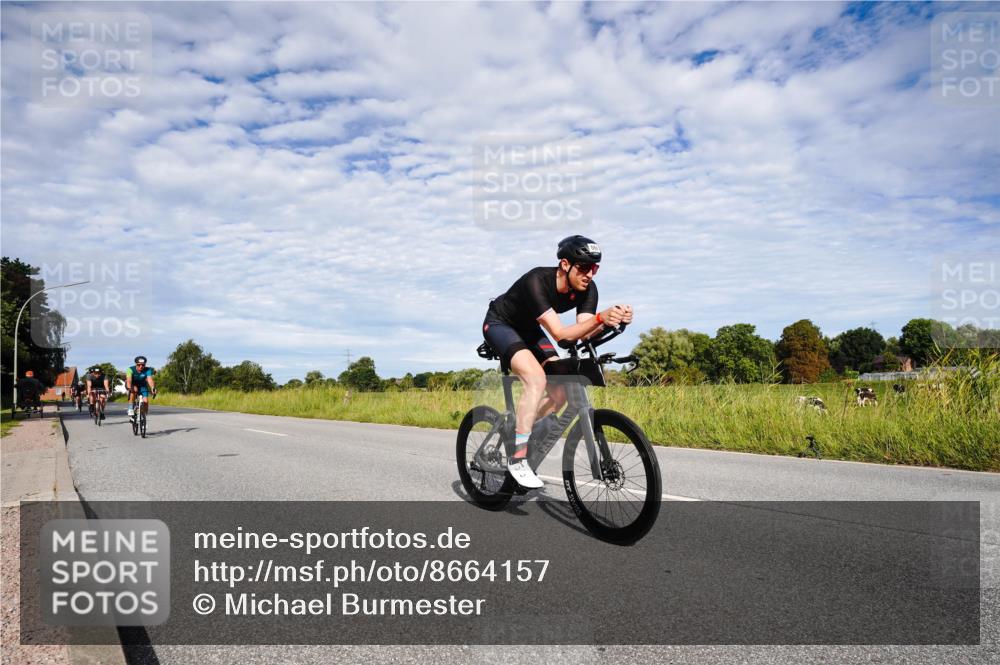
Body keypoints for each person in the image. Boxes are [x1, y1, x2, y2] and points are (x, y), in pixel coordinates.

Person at [482, 235, 633, 489]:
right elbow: (561, 335)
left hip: (530, 329)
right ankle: (517, 458)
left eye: (594, 269)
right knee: (536, 379)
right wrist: (600, 318)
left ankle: (522, 429)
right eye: (584, 268)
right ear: (565, 265)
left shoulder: (587, 289)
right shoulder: (536, 281)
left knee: (560, 391)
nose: (590, 274)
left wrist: (612, 320)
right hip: (500, 324)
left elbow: (581, 331)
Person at [126, 356, 156, 421]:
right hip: (132, 385)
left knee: (146, 402)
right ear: (136, 364)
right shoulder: (130, 369)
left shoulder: (148, 370)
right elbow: (129, 380)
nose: (141, 367)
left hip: (143, 386)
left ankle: (143, 417)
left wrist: (153, 388)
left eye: (143, 365)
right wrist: (129, 388)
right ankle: (131, 408)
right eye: (139, 365)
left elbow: (150, 380)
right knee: (134, 389)